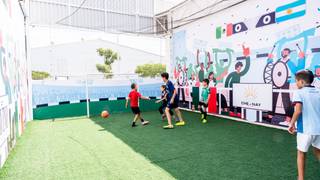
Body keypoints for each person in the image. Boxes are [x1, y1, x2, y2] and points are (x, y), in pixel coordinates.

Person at [288, 70, 320, 180]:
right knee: (318, 151)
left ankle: (301, 178)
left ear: (301, 81)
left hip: (305, 130)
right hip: (319, 129)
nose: (296, 83)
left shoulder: (299, 92)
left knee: (301, 153)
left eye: (296, 81)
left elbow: (298, 111)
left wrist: (291, 124)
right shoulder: (318, 91)